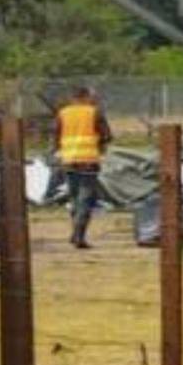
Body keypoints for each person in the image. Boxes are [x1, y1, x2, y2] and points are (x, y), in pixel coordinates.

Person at [55, 86, 112, 249]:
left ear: (73, 98)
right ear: (87, 97)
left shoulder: (63, 113)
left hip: (68, 160)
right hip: (88, 161)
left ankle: (76, 233)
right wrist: (100, 147)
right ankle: (78, 235)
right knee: (85, 199)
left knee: (74, 198)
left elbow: (56, 136)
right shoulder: (95, 112)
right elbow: (107, 135)